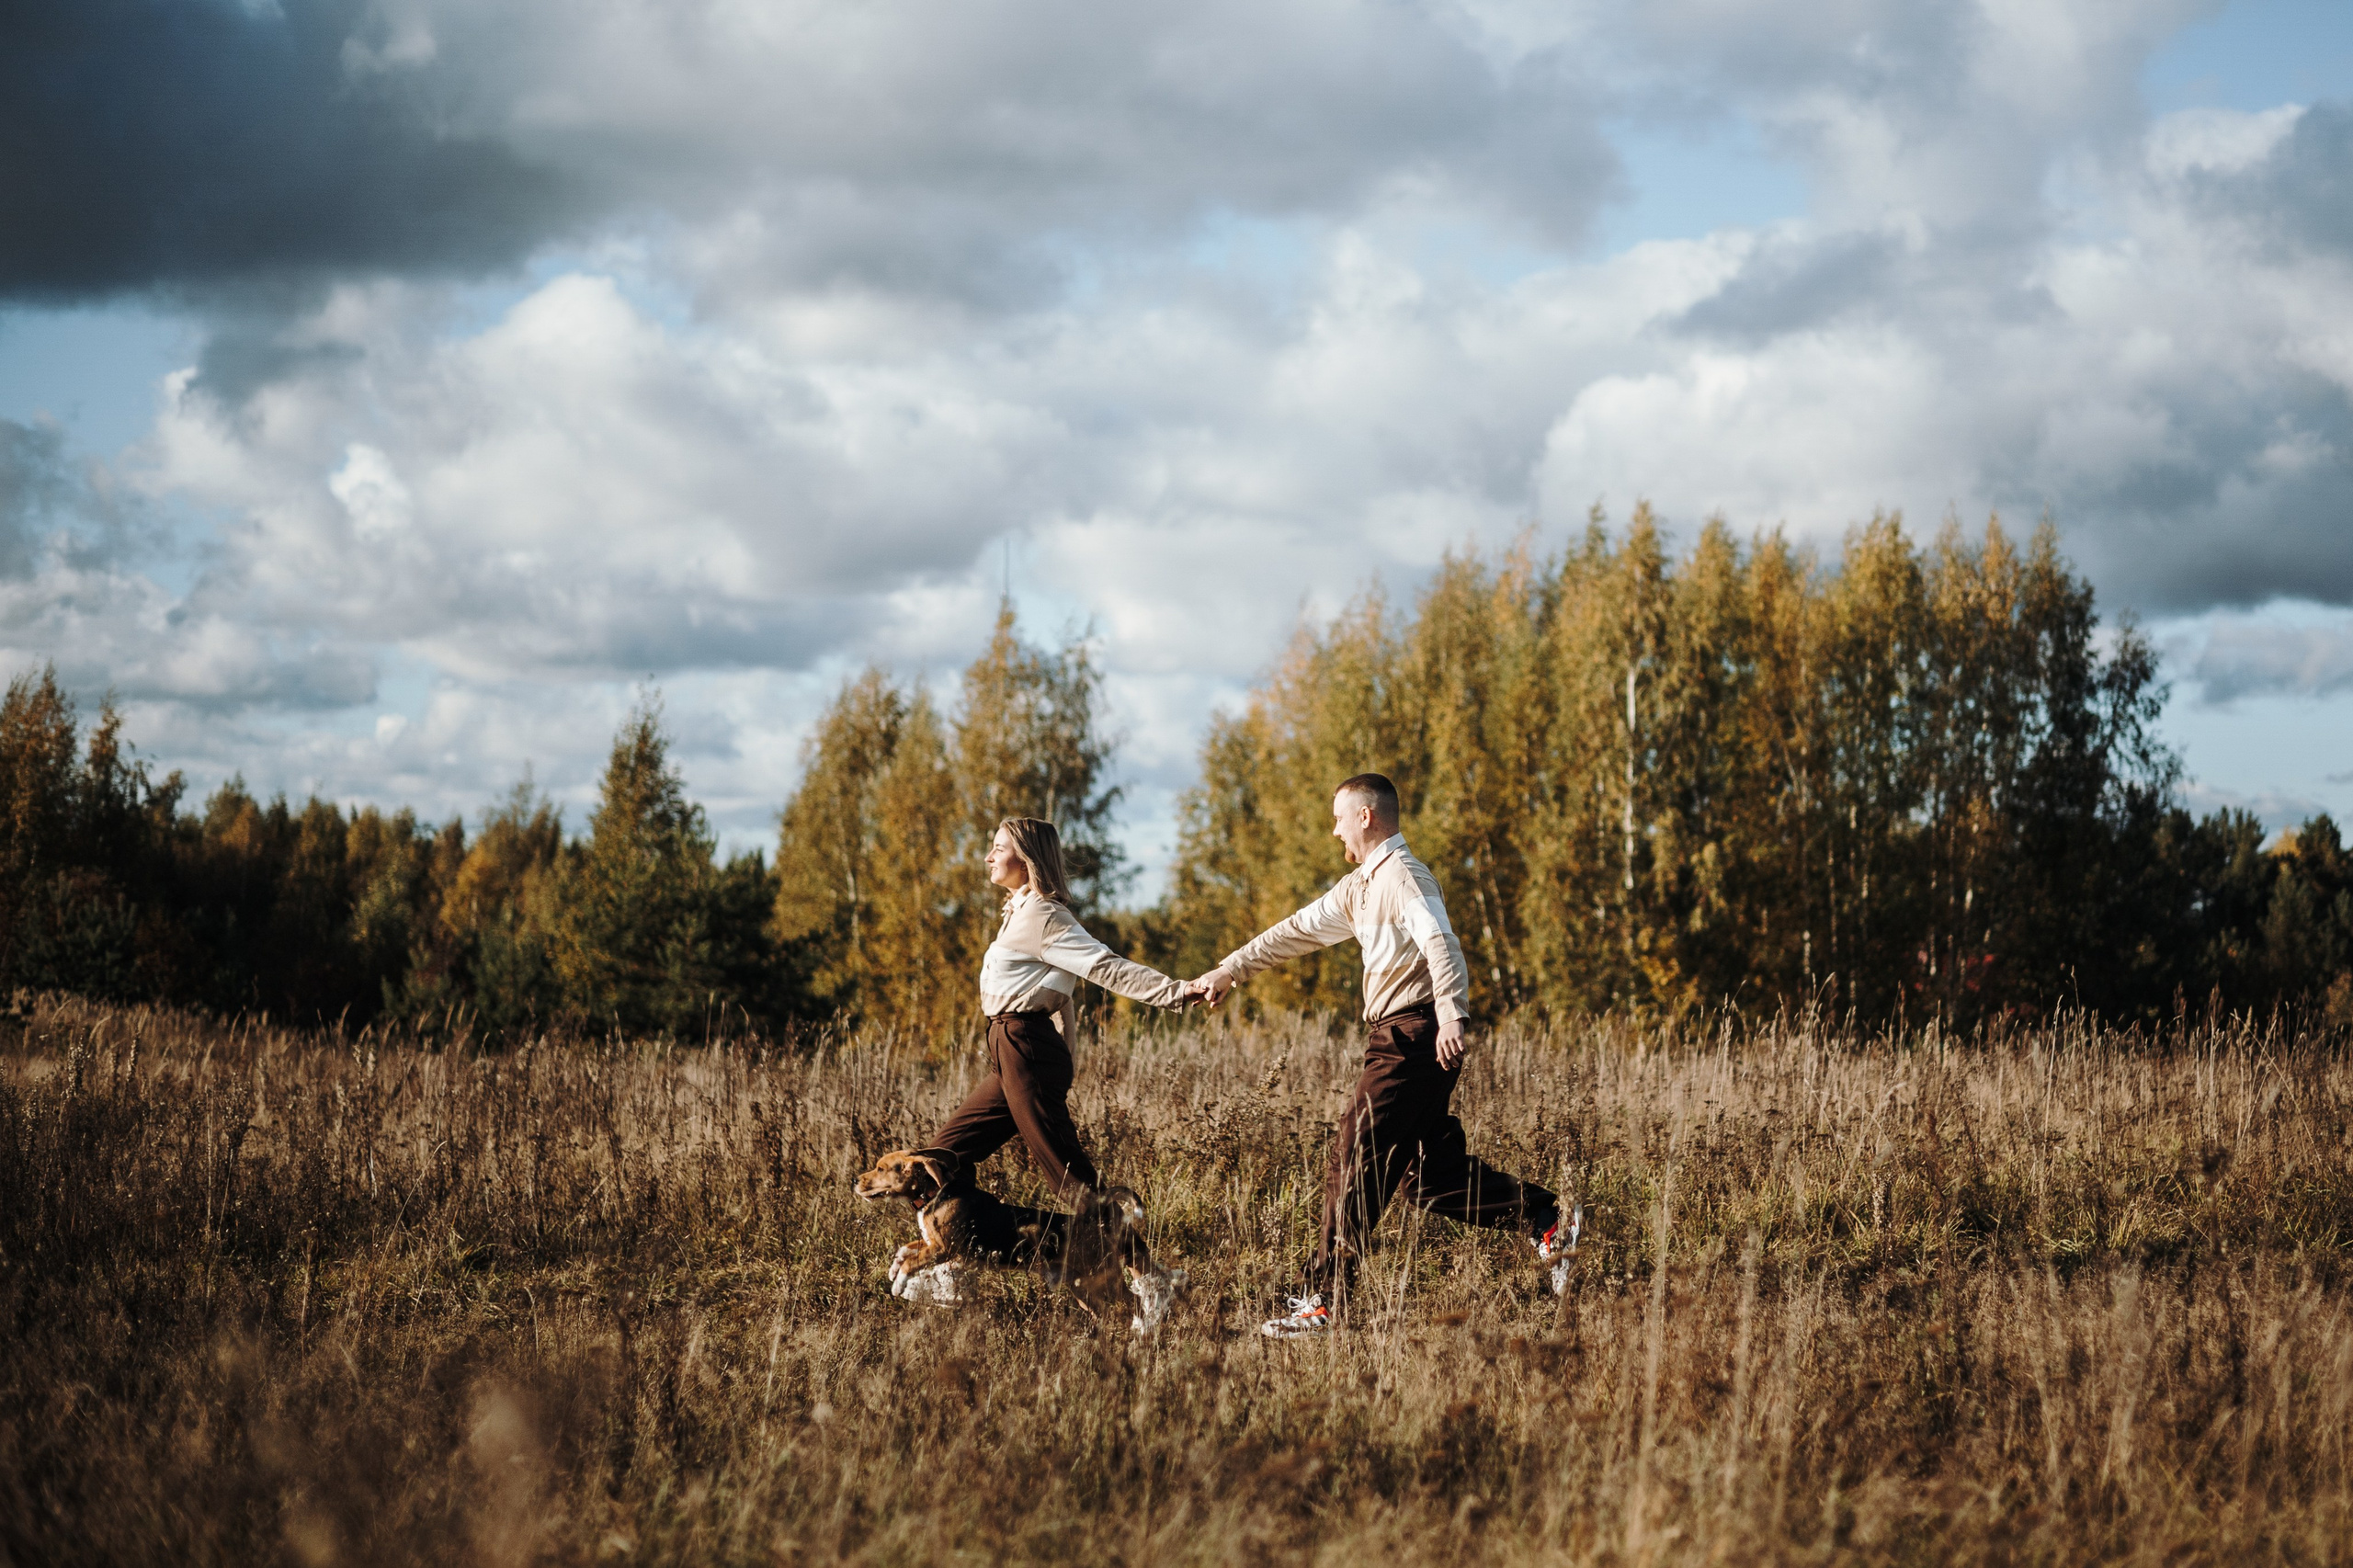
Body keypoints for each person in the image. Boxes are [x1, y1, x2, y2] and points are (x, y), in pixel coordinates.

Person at [1186, 773, 1569, 1337]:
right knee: (1422, 1175)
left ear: (1365, 817)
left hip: (1414, 1035)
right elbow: (1295, 930)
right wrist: (1230, 968)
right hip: (1402, 1035)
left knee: (1354, 1147)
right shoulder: (1359, 887)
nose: (1332, 827)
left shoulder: (1405, 878)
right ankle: (1546, 1218)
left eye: (1339, 816)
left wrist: (1450, 1014)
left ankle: (1325, 1300)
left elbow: (1442, 942)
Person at [922, 816, 1191, 1200]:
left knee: (1069, 1178)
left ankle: (1134, 1259)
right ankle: (963, 1248)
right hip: (1012, 1050)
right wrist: (1067, 1055)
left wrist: (1175, 992)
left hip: (1025, 1047)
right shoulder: (1019, 912)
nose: (988, 857)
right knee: (943, 1157)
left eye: (998, 848)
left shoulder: (1045, 916)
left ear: (1026, 857)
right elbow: (1061, 997)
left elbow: (1104, 966)